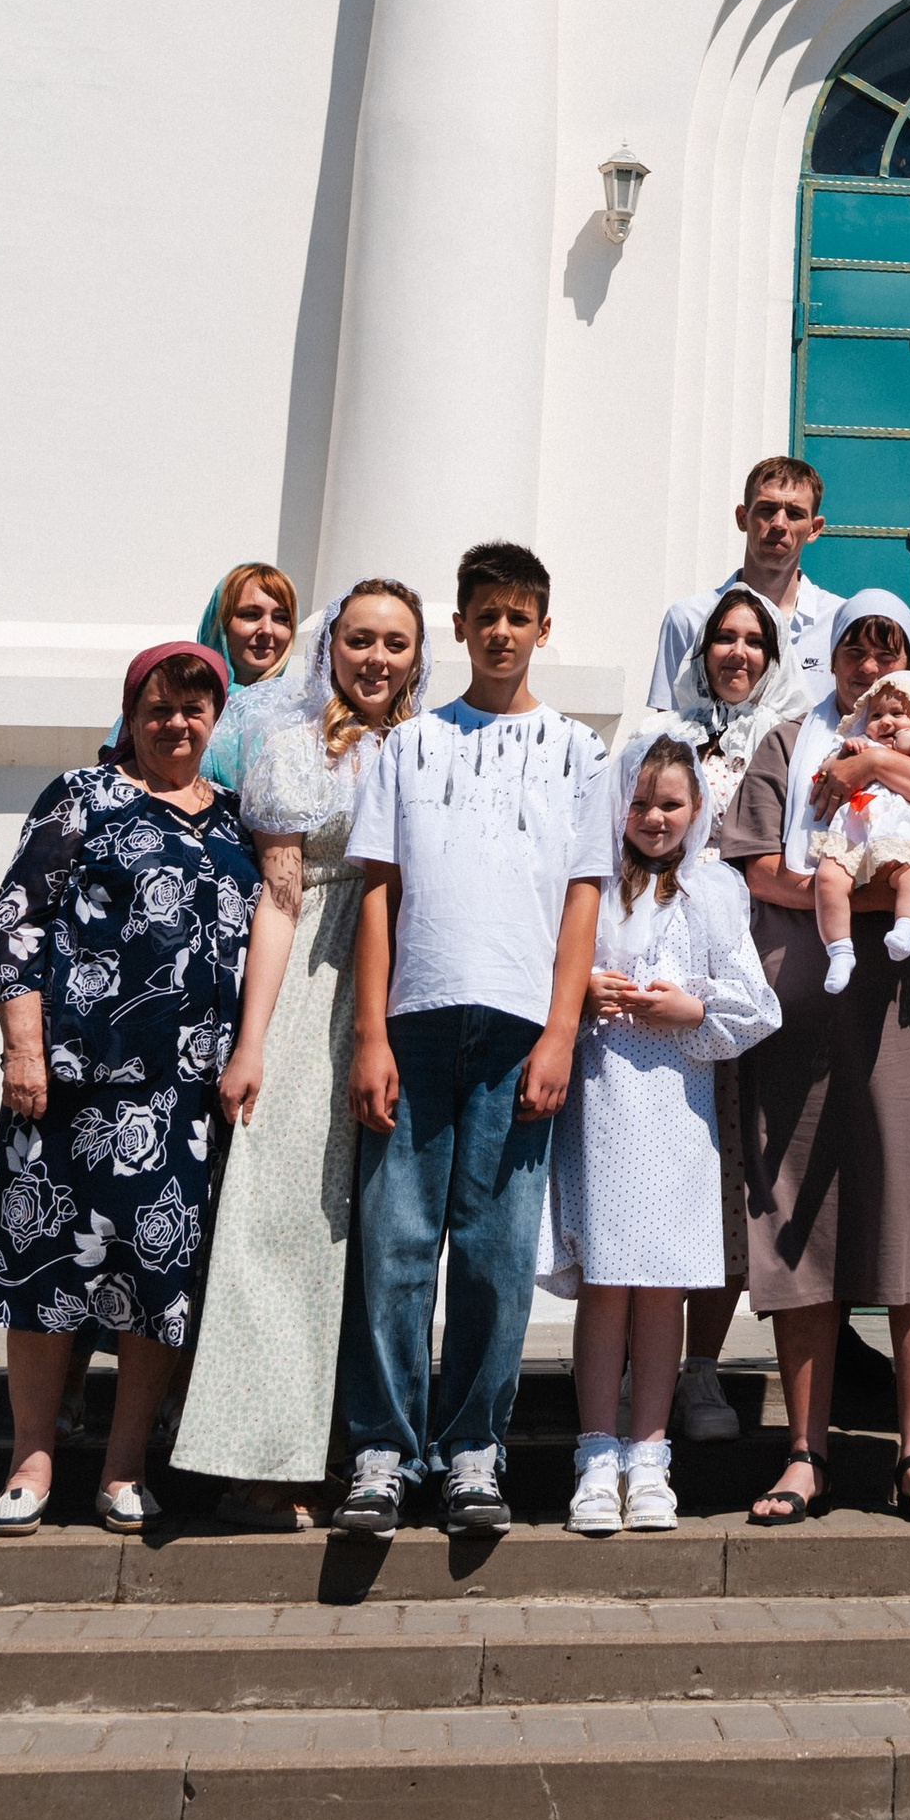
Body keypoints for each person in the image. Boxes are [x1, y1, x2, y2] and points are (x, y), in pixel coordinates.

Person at [333, 541, 613, 1541]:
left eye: (519, 613)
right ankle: (383, 1448)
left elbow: (583, 896)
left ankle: (472, 1450)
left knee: (494, 1255)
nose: (501, 630)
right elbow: (378, 891)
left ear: (545, 625)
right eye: (484, 613)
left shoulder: (581, 751)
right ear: (458, 627)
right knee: (397, 1247)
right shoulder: (407, 748)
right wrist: (371, 1032)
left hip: (517, 1031)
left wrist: (560, 1034)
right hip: (413, 1021)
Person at [717, 589, 910, 1530]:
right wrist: (850, 902)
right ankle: (806, 1450)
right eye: (854, 654)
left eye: (888, 653)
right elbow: (757, 862)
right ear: (830, 659)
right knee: (803, 1197)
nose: (870, 670)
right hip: (815, 992)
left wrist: (881, 756)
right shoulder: (789, 743)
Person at [0, 641, 259, 1535]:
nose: (177, 724)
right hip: (70, 1085)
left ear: (217, 719)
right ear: (131, 715)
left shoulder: (238, 824)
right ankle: (32, 1460)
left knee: (155, 1279)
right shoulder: (81, 797)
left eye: (195, 709)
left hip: (185, 1095)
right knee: (48, 1271)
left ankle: (125, 1467)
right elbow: (16, 924)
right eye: (159, 709)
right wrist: (24, 1048)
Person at [172, 581, 431, 1522]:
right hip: (313, 985)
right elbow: (278, 901)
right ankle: (261, 1455)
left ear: (417, 655)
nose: (375, 659)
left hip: (413, 981)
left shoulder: (430, 748)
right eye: (359, 639)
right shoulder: (289, 749)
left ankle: (370, 1451)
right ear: (332, 648)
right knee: (283, 1221)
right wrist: (253, 1042)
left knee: (383, 1237)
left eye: (394, 644)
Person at [543, 721, 780, 1533]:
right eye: (640, 801)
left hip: (677, 1114)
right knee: (608, 1280)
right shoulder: (593, 889)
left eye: (670, 803)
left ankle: (650, 1455)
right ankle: (595, 1451)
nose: (654, 817)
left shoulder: (715, 892)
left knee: (662, 1285)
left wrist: (692, 1008)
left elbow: (754, 1005)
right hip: (604, 1104)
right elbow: (550, 973)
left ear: (697, 807)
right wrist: (582, 993)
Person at [656, 580, 825, 1441]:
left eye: (754, 642)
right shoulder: (660, 736)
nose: (737, 654)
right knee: (671, 1161)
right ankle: (643, 1363)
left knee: (736, 1174)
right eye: (723, 639)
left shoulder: (794, 739)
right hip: (670, 969)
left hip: (764, 971)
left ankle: (701, 1367)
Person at [806, 667, 910, 987]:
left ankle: (907, 929)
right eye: (877, 715)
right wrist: (844, 755)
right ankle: (840, 951)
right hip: (858, 828)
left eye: (898, 713)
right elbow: (827, 771)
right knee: (828, 877)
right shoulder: (858, 743)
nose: (886, 722)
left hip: (907, 831)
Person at [648, 457, 837, 708]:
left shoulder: (838, 623)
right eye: (767, 510)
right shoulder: (688, 618)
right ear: (742, 518)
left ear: (814, 528)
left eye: (794, 514)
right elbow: (668, 727)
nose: (779, 524)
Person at [196, 562, 302, 794]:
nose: (267, 629)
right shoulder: (176, 698)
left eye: (281, 618)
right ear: (220, 623)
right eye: (250, 615)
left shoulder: (301, 714)